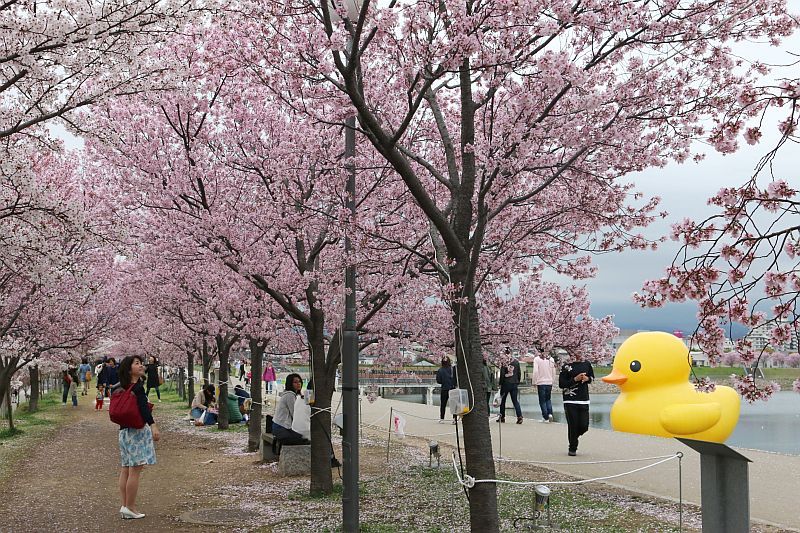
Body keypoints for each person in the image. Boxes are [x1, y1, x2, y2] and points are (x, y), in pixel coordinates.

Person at [112, 355, 159, 519]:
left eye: (141, 363)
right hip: (137, 433)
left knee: (126, 469)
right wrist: (153, 425)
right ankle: (130, 507)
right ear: (129, 368)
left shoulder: (118, 387)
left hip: (124, 433)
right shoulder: (137, 387)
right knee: (135, 471)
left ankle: (125, 506)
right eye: (137, 363)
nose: (141, 366)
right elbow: (144, 410)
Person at [559, 358, 594, 456]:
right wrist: (575, 379)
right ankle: (572, 447)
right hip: (570, 399)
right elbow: (562, 384)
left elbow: (592, 378)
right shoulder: (566, 365)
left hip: (583, 399)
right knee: (573, 425)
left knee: (584, 426)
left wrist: (587, 379)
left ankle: (574, 437)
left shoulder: (587, 363)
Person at [272, 373, 309, 445]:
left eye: (299, 382)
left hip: (281, 427)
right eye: (295, 382)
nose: (298, 384)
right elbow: (295, 414)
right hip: (281, 428)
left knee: (304, 437)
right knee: (305, 439)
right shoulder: (290, 395)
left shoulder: (294, 395)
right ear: (290, 384)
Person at [498, 348, 523, 424]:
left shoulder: (504, 362)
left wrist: (500, 383)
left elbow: (502, 374)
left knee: (502, 401)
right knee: (515, 401)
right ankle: (519, 416)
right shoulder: (516, 361)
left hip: (506, 383)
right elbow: (519, 373)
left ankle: (502, 417)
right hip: (514, 383)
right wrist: (517, 381)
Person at [533, 351, 557, 423]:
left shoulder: (537, 359)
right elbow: (554, 371)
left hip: (541, 382)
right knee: (548, 399)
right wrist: (552, 380)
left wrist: (534, 381)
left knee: (542, 400)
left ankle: (545, 417)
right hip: (549, 382)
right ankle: (550, 414)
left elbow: (536, 371)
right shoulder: (551, 359)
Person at [435, 357, 457, 424]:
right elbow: (456, 378)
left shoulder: (440, 370)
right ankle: (454, 419)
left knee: (443, 404)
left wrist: (443, 382)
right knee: (454, 404)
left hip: (444, 388)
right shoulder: (453, 369)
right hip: (452, 388)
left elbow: (438, 381)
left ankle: (442, 419)